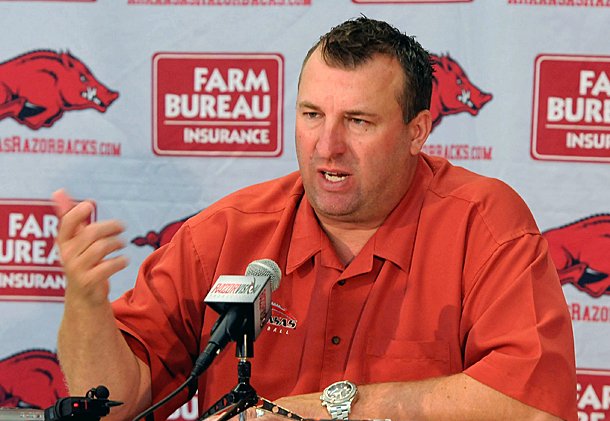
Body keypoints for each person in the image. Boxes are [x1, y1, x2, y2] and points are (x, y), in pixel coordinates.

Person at [53, 17, 577, 421]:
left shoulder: (483, 223)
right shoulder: (225, 232)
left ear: (417, 132)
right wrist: (86, 306)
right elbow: (117, 407)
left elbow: (533, 406)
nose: (328, 147)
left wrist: (324, 409)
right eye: (311, 116)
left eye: (358, 121)